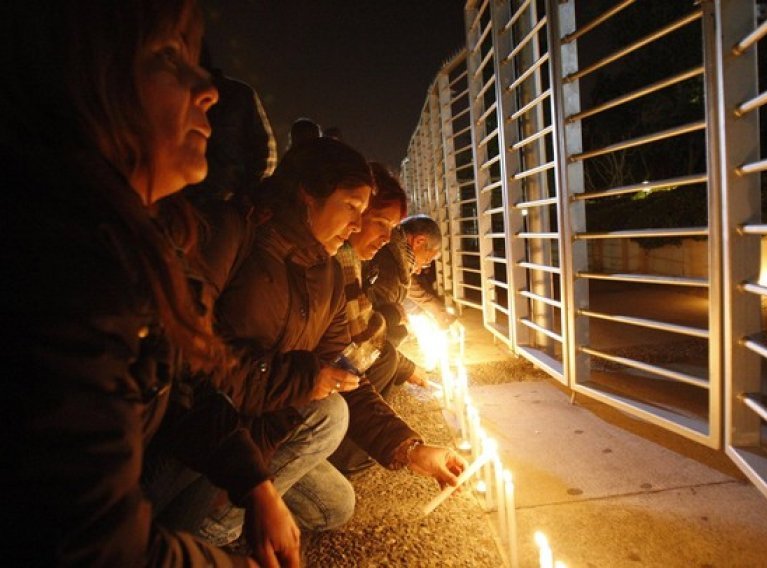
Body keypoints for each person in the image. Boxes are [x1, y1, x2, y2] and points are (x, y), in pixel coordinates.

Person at [1, 1, 298, 565]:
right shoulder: (63, 265)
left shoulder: (131, 242)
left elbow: (176, 384)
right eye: (169, 56)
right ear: (83, 78)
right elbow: (90, 547)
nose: (208, 88)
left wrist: (254, 482)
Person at [206, 137, 466, 535]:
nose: (359, 227)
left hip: (267, 417)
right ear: (308, 196)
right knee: (328, 416)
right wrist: (305, 378)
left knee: (335, 506)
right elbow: (195, 365)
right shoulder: (238, 237)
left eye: (365, 213)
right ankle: (208, 533)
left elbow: (345, 372)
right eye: (352, 209)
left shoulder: (325, 273)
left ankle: (242, 504)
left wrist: (410, 449)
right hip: (212, 427)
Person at [328, 162, 420, 473]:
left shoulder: (351, 259)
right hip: (303, 407)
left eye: (392, 229)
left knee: (385, 350)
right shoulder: (336, 259)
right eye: (380, 222)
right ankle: (345, 456)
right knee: (382, 354)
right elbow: (362, 339)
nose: (385, 238)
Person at [365, 214, 456, 386]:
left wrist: (437, 311)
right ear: (419, 242)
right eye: (428, 260)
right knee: (397, 332)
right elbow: (374, 331)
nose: (421, 270)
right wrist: (407, 369)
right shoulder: (389, 265)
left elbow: (410, 286)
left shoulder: (396, 255)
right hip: (360, 352)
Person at [184, 44, 277, 206]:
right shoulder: (176, 98)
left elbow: (264, 150)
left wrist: (246, 197)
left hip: (226, 203)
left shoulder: (239, 95)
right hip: (183, 201)